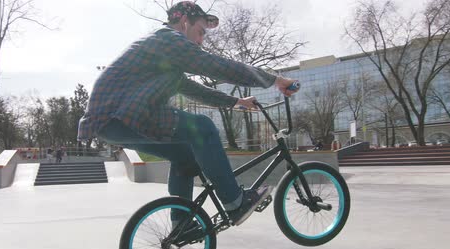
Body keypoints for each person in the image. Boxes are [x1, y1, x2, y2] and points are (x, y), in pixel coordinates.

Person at [77, 1, 299, 226]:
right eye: (200, 32)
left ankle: (181, 224)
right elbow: (216, 65)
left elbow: (193, 89)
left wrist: (236, 102)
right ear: (184, 23)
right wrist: (275, 80)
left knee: (185, 157)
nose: (202, 41)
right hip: (122, 114)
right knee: (203, 128)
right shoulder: (169, 40)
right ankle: (235, 202)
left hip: (113, 122)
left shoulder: (163, 55)